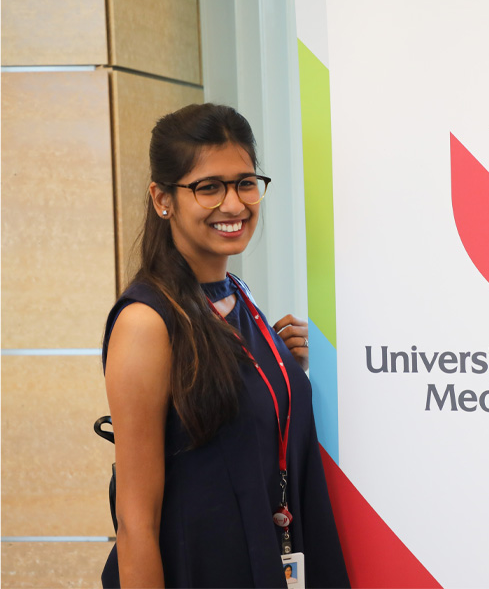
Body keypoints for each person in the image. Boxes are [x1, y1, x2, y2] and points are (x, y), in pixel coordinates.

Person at [101, 103, 349, 587]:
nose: (233, 204)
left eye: (245, 182)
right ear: (162, 198)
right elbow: (136, 524)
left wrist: (280, 369)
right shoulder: (146, 323)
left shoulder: (238, 297)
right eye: (208, 187)